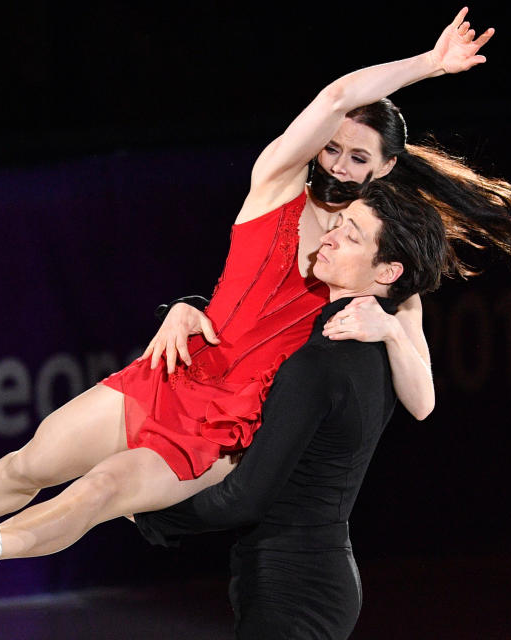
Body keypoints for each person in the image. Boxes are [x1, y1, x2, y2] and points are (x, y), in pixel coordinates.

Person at [0, 8, 511, 606]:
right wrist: (427, 64)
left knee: (100, 493)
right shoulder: (275, 186)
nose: (338, 165)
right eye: (334, 149)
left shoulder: (377, 260)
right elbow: (338, 92)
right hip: (175, 371)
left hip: (228, 425)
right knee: (29, 465)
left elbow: (425, 400)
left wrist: (391, 333)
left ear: (386, 170)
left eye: (358, 158)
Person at [134, 180, 449, 639]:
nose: (329, 236)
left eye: (352, 235)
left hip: (292, 587)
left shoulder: (325, 362)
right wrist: (189, 307)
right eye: (337, 223)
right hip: (313, 575)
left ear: (387, 272)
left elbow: (243, 497)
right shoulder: (369, 347)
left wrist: (145, 516)